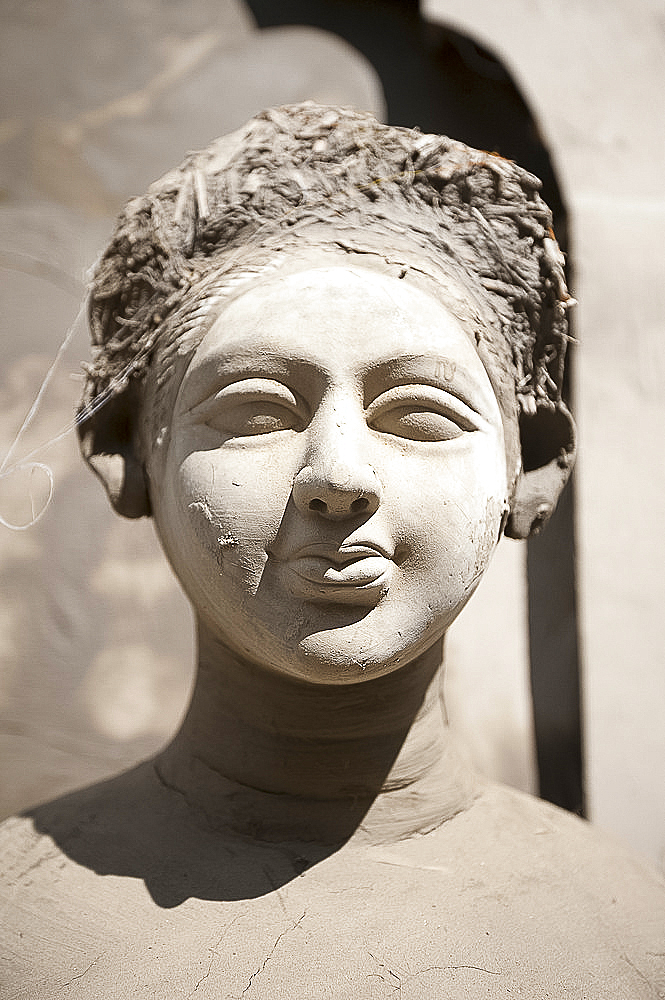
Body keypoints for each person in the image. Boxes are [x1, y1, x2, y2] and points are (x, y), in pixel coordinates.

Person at [1, 103, 663, 998]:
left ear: (532, 471)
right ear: (129, 458)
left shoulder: (629, 936)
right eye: (258, 413)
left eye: (419, 417)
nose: (338, 473)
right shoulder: (22, 929)